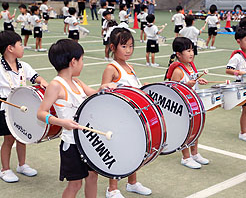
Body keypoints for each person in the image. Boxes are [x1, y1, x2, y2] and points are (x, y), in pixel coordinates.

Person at [37, 39, 116, 197]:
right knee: (75, 184)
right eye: (82, 59)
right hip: (72, 143)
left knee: (93, 177)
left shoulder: (77, 82)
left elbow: (93, 94)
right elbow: (41, 113)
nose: (82, 63)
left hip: (88, 140)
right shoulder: (56, 85)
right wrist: (61, 122)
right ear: (73, 61)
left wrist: (102, 88)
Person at [101, 27, 152, 198]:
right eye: (124, 46)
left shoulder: (129, 66)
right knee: (116, 151)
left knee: (134, 150)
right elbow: (103, 93)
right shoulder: (111, 68)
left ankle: (132, 183)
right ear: (113, 47)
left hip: (133, 116)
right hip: (117, 118)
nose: (128, 50)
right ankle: (112, 189)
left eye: (131, 46)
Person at [0, 31, 48, 183]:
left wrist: (43, 82)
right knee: (9, 139)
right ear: (10, 48)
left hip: (22, 108)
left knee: (22, 137)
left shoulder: (24, 66)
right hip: (5, 108)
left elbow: (36, 77)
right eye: (20, 44)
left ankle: (22, 165)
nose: (23, 47)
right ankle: (5, 169)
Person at [164, 37, 209, 169]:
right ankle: (186, 157)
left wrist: (198, 81)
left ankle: (195, 153)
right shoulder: (178, 71)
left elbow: (192, 79)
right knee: (187, 131)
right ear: (178, 54)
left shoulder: (190, 66)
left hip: (194, 103)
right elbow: (173, 90)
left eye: (192, 50)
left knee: (196, 129)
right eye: (188, 50)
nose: (191, 53)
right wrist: (186, 85)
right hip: (184, 106)